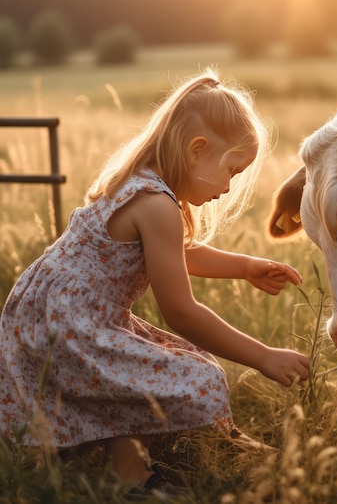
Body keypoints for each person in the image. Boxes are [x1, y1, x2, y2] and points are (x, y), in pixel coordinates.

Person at [0, 70, 310, 493]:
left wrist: (244, 265)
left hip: (51, 315)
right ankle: (128, 476)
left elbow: (174, 253)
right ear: (197, 149)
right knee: (199, 377)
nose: (228, 186)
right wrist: (262, 356)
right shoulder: (156, 204)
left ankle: (109, 463)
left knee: (150, 367)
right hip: (69, 325)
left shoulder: (140, 184)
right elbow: (181, 312)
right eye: (231, 171)